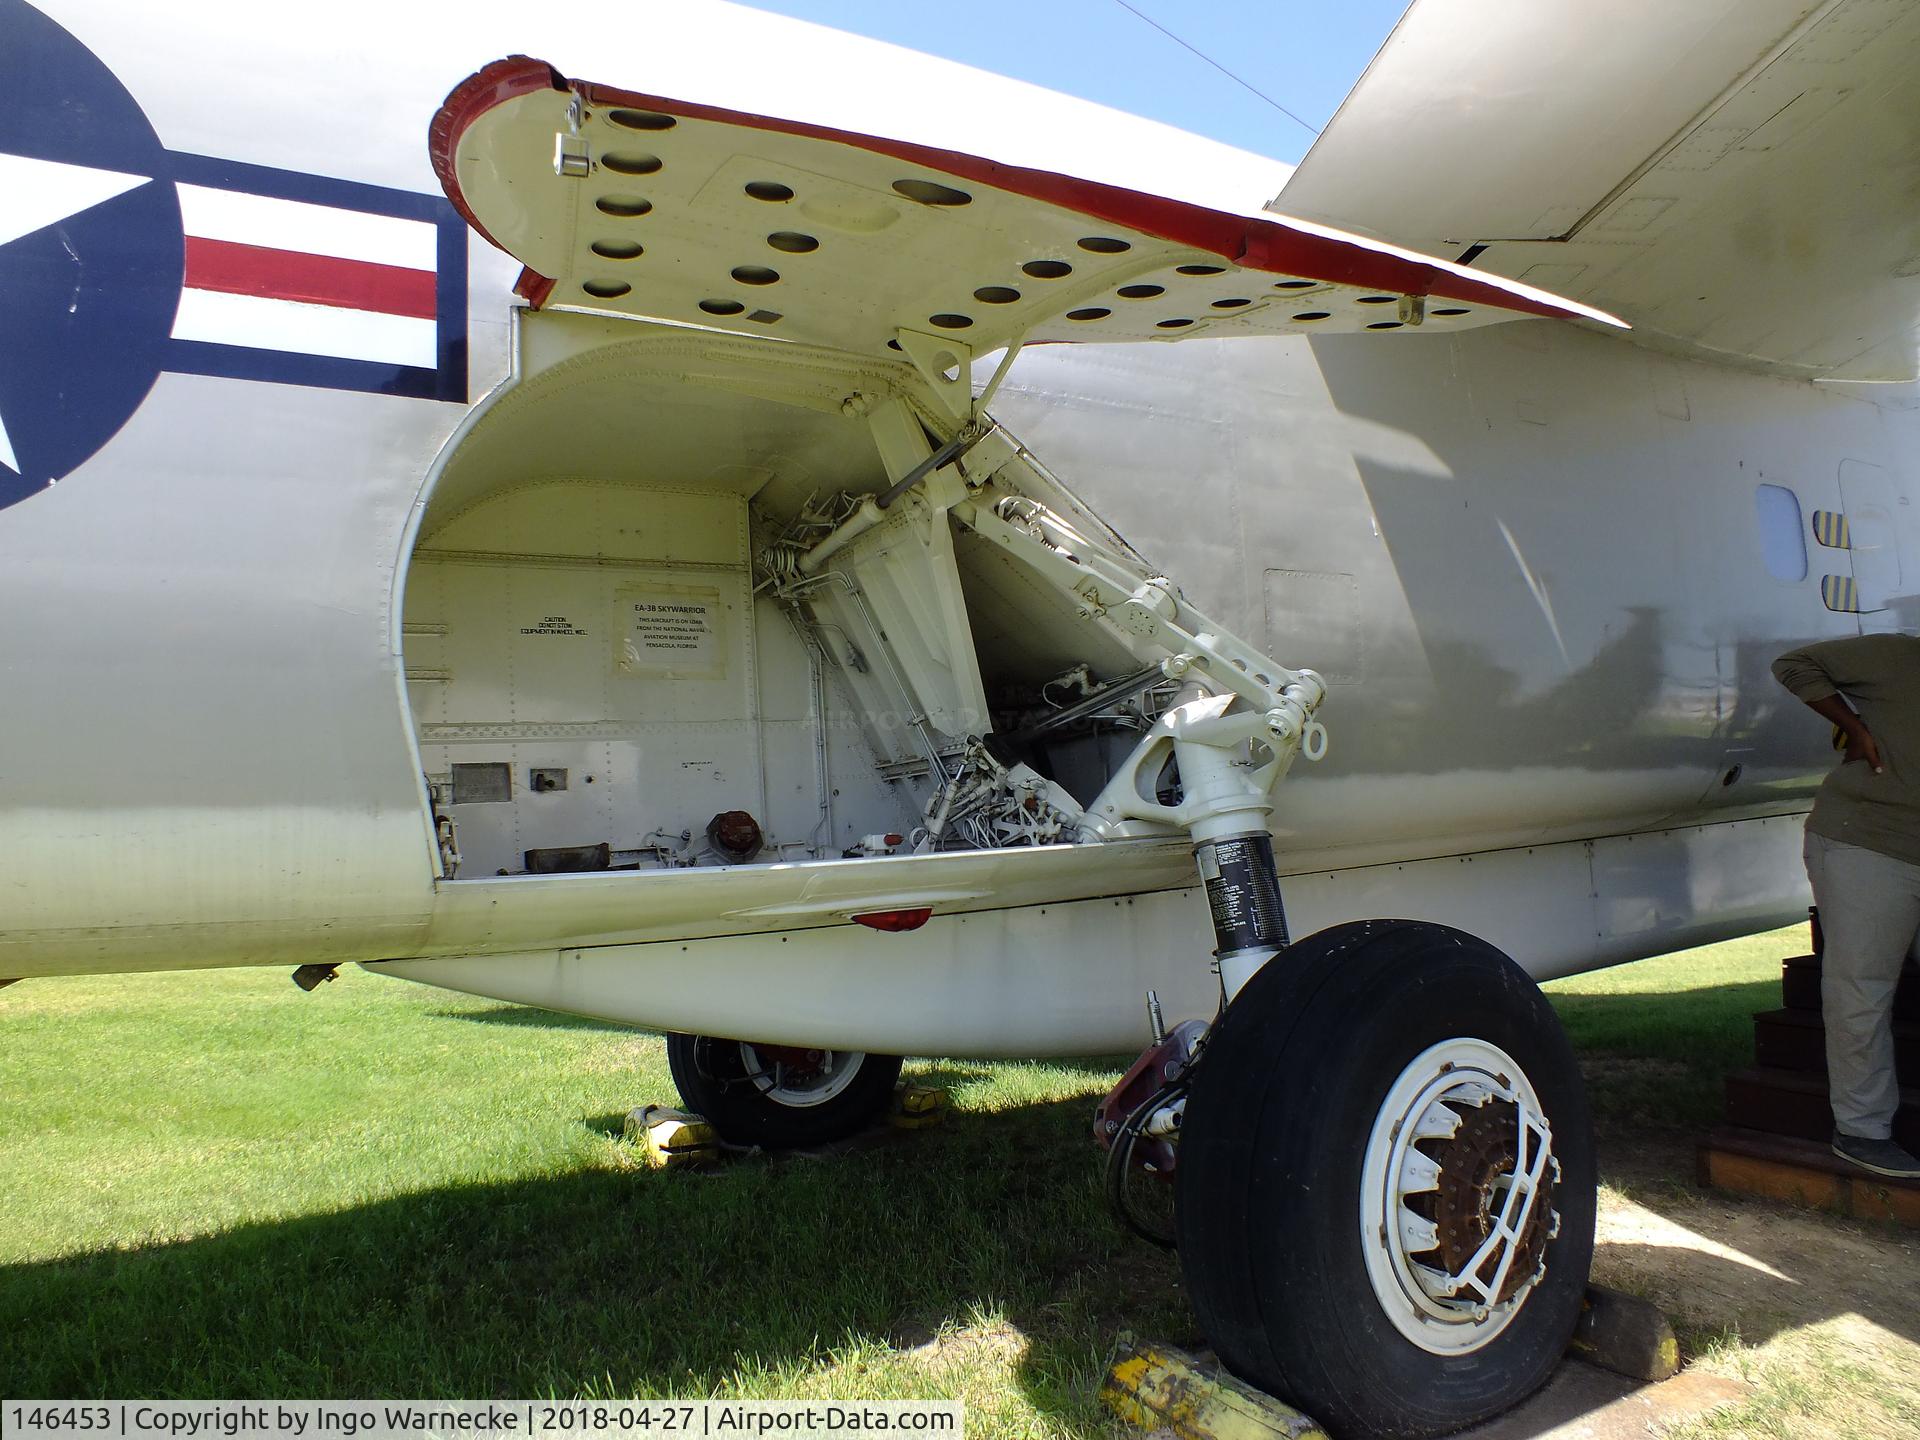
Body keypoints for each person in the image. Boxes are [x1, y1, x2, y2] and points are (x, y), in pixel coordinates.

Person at [1772, 632, 1920, 1180]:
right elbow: (1794, 663)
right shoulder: (1897, 656)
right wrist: (1855, 727)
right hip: (1867, 843)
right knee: (1861, 988)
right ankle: (1863, 1131)